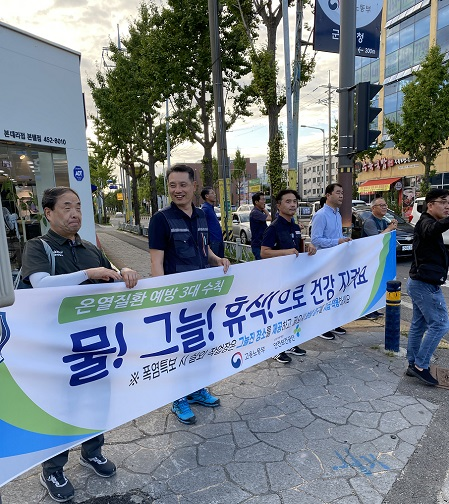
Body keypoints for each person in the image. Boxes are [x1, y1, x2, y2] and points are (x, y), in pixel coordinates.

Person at [21, 186, 139, 503]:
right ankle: (53, 469)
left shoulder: (89, 247)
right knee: (61, 407)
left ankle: (92, 451)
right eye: (67, 207)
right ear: (48, 213)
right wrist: (89, 272)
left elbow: (110, 274)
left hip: (95, 342)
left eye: (78, 207)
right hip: (57, 347)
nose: (75, 213)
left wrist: (124, 271)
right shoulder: (38, 247)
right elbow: (40, 284)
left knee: (97, 400)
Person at [148, 164, 230, 425]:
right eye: (172, 185)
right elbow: (156, 263)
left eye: (183, 185)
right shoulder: (160, 219)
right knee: (179, 349)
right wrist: (162, 298)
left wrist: (217, 259)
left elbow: (205, 250)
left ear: (194, 186)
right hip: (177, 299)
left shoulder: (202, 216)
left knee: (200, 345)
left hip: (202, 296)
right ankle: (178, 398)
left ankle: (196, 390)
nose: (177, 190)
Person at [261, 189, 317, 363]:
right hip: (277, 279)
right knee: (278, 314)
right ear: (278, 206)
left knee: (292, 313)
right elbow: (264, 252)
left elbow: (297, 250)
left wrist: (308, 248)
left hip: (294, 278)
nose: (293, 205)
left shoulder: (294, 226)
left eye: (294, 201)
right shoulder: (273, 228)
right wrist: (285, 252)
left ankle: (290, 342)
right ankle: (275, 348)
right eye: (288, 201)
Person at [405, 188, 449, 386]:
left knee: (419, 325)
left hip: (420, 282)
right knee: (440, 324)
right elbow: (433, 230)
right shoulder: (425, 223)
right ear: (430, 205)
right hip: (425, 285)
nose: (447, 206)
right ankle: (421, 366)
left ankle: (413, 363)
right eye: (443, 202)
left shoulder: (428, 223)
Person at [311, 183, 351, 340]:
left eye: (342, 192)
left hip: (336, 260)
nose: (341, 195)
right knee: (324, 295)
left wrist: (343, 240)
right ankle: (321, 327)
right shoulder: (321, 215)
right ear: (328, 195)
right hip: (324, 262)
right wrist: (337, 241)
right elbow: (316, 239)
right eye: (338, 192)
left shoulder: (337, 215)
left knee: (335, 293)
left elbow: (337, 236)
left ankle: (333, 323)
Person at [361, 197, 398, 320]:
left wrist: (391, 226)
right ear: (373, 208)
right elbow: (376, 240)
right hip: (368, 259)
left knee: (377, 284)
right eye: (381, 205)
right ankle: (367, 312)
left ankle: (374, 309)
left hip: (378, 259)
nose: (384, 207)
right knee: (369, 286)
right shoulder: (370, 222)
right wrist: (389, 228)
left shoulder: (383, 221)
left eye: (385, 205)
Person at [201, 186, 224, 258]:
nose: (215, 195)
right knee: (214, 262)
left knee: (220, 261)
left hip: (218, 239)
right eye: (212, 193)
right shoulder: (205, 209)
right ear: (206, 196)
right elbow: (202, 226)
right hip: (213, 241)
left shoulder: (211, 208)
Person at [250, 192, 272, 260]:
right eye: (262, 199)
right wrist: (264, 209)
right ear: (256, 202)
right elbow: (269, 218)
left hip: (262, 243)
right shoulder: (255, 213)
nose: (264, 202)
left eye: (264, 199)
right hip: (258, 245)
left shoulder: (259, 212)